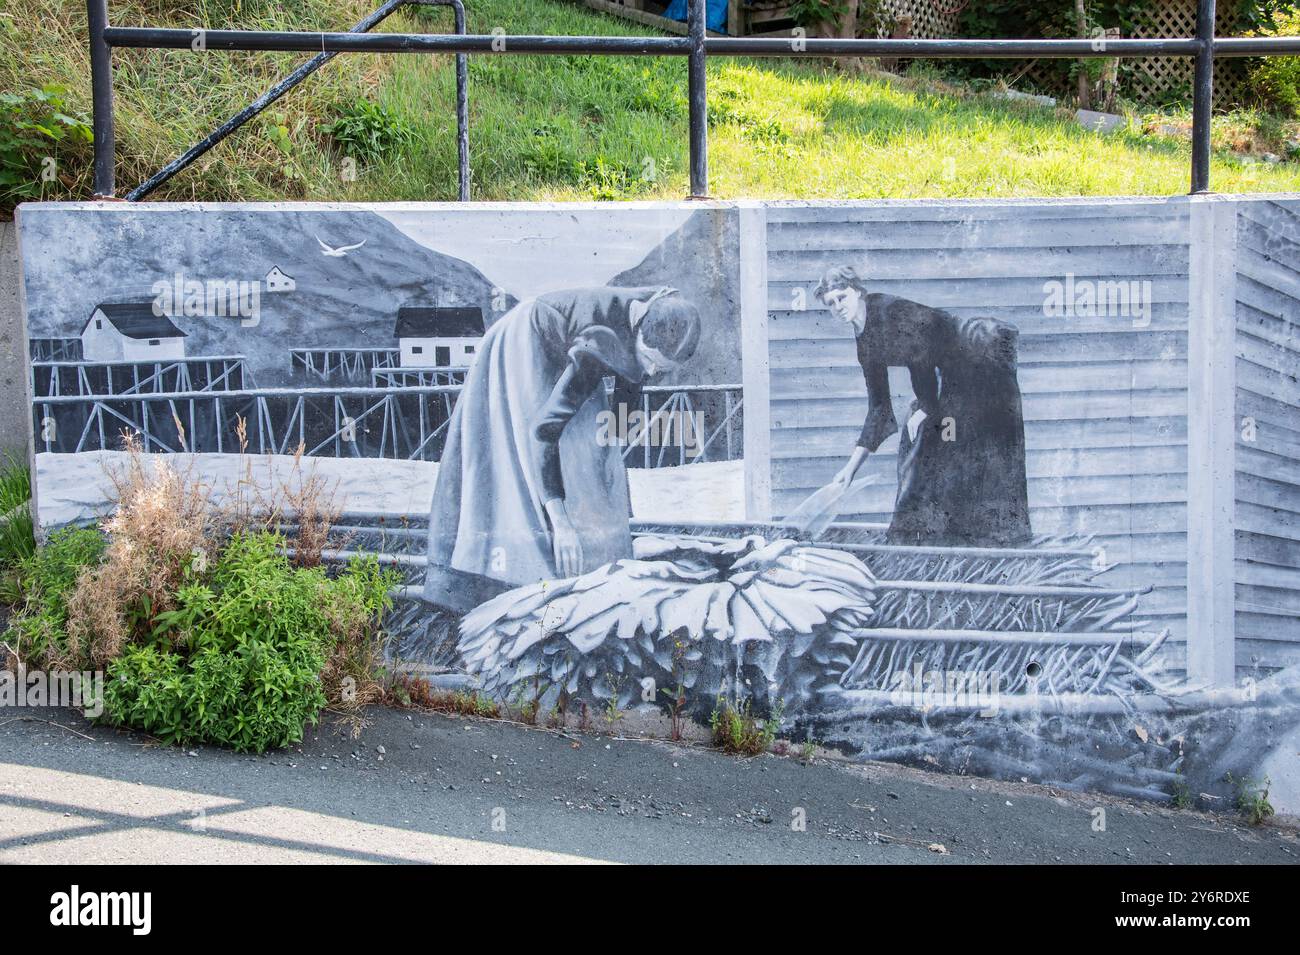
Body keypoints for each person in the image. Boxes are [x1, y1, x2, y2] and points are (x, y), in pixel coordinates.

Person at [424, 285, 701, 613]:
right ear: (639, 336)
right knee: (520, 462)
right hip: (526, 340)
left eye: (662, 369)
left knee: (594, 455)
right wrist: (563, 523)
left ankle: (598, 566)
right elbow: (544, 432)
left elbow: (630, 387)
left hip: (573, 344)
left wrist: (611, 456)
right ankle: (527, 578)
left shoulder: (660, 313)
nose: (654, 372)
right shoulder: (599, 345)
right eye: (651, 361)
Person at [815, 266, 1032, 547]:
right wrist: (850, 469)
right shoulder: (864, 341)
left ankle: (997, 539)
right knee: (925, 447)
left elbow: (921, 353)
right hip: (949, 377)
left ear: (857, 292)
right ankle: (928, 540)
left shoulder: (887, 310)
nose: (838, 307)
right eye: (830, 304)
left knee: (959, 446)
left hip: (977, 358)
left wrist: (927, 408)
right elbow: (879, 409)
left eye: (842, 297)